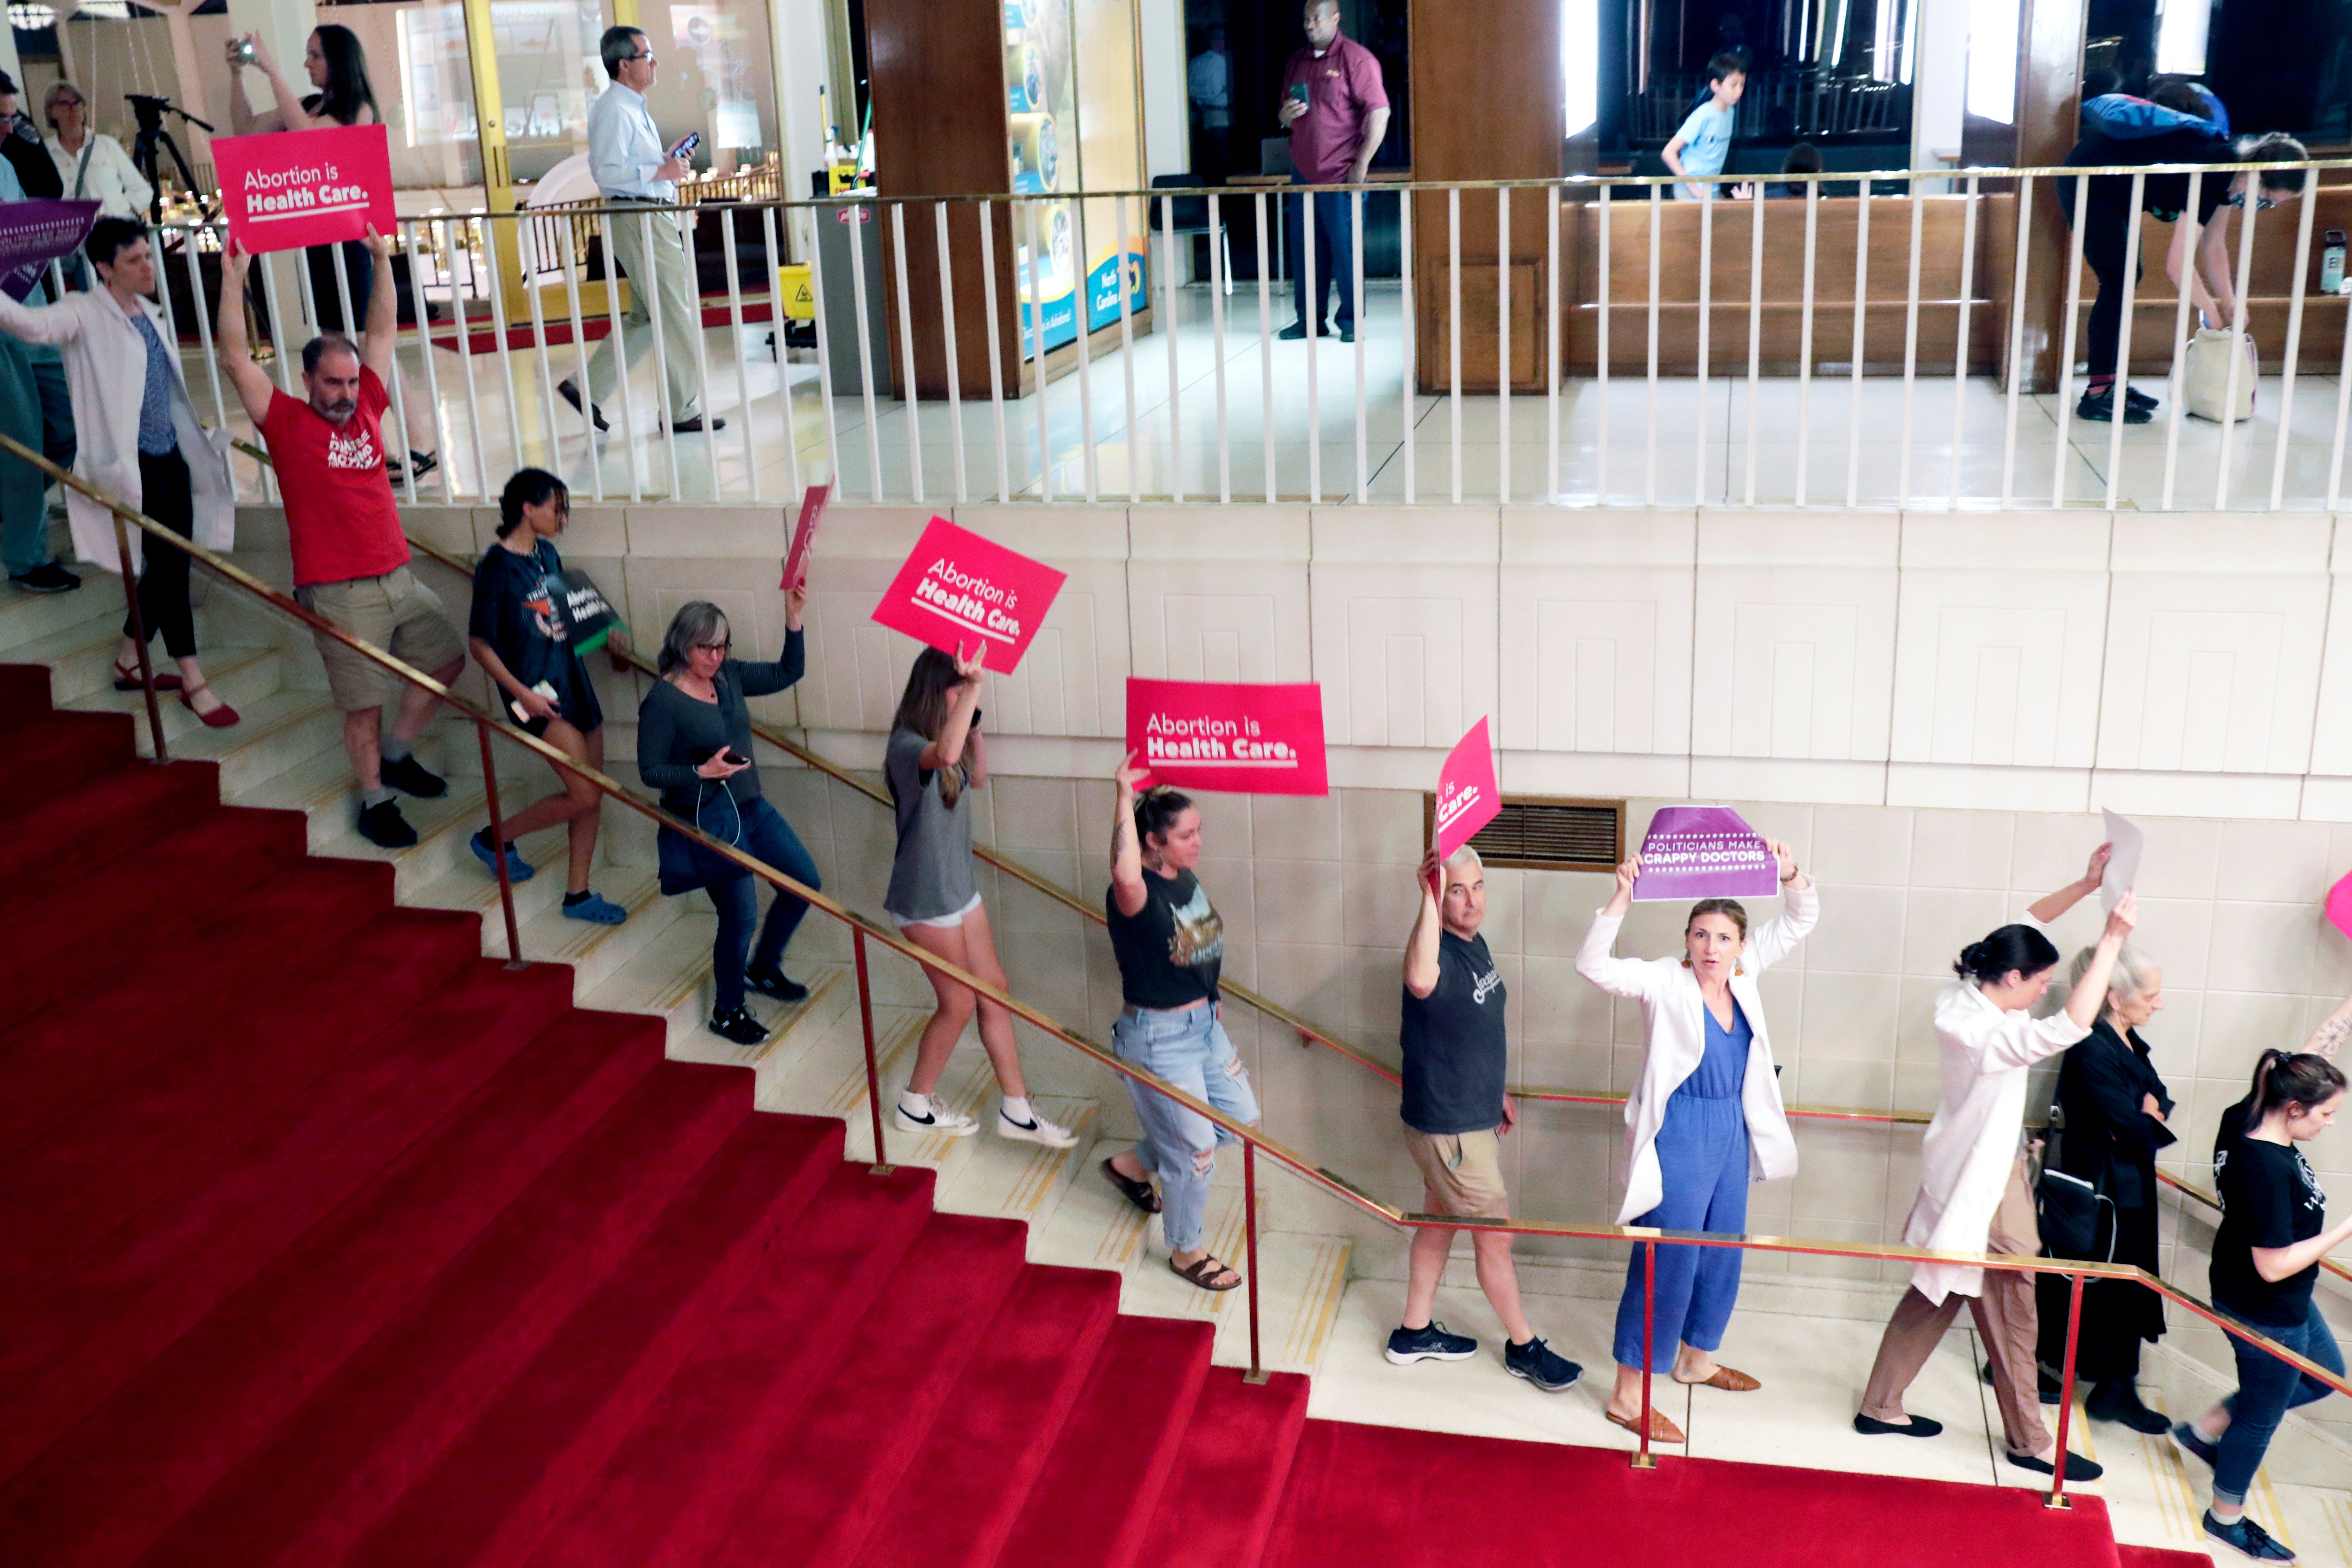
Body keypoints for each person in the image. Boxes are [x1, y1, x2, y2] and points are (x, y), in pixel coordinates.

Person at [1853, 848, 2135, 1484]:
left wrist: (2086, 883)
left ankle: (1880, 1404)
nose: (2042, 991)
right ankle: (2030, 1441)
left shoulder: (1965, 994)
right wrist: (2112, 938)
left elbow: (2022, 917)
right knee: (2013, 1303)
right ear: (2010, 979)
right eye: (2038, 981)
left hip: (1967, 1172)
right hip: (1983, 1184)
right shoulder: (1991, 1035)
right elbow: (2073, 1021)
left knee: (1936, 1292)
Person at [219, 228, 467, 847]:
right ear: (307, 380)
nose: (346, 394)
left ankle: (399, 756)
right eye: (333, 383)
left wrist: (382, 259)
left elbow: (381, 332)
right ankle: (374, 797)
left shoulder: (365, 407)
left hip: (396, 575)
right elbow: (234, 359)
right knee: (363, 705)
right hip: (339, 591)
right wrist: (231, 276)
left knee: (445, 660)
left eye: (351, 383)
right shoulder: (285, 422)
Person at [1577, 837, 1816, 1444]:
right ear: (1686, 939)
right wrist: (1621, 899)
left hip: (1728, 1132)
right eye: (1699, 935)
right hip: (1680, 1132)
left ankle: (1694, 1357)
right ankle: (1626, 1393)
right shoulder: (1664, 980)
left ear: (1739, 944)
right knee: (1668, 1259)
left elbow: (1799, 917)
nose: (1710, 948)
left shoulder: (1743, 974)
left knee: (1721, 1251)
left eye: (1723, 937)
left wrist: (1787, 872)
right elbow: (1593, 966)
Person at [0, 216, 237, 724]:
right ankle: (192, 677)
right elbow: (30, 325)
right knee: (171, 567)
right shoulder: (81, 312)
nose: (148, 266)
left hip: (169, 457)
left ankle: (130, 660)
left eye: (148, 256)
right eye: (134, 261)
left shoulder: (148, 312)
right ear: (105, 269)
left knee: (172, 560)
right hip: (133, 466)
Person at [1386, 842, 1584, 1394]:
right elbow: (1423, 982)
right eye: (1456, 889)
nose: (1470, 900)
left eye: (1477, 886)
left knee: (1437, 1222)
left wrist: (1493, 1090)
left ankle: (1413, 1331)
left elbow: (1475, 1024)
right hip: (1450, 1130)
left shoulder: (1474, 942)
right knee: (1495, 1238)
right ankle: (1524, 1348)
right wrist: (1427, 896)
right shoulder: (1435, 948)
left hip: (1465, 1115)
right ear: (1437, 896)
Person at [225, 24, 439, 481]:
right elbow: (245, 130)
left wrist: (271, 68)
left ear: (338, 60)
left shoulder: (355, 109)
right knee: (339, 341)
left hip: (351, 242)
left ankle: (420, 438)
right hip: (318, 245)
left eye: (315, 56)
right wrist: (238, 76)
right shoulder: (305, 105)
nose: (308, 65)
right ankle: (361, 437)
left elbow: (310, 142)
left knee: (370, 343)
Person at [881, 646, 1076, 1148]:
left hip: (958, 890)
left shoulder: (950, 741)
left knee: (994, 987)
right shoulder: (907, 747)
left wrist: (974, 721)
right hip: (925, 898)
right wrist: (977, 687)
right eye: (956, 691)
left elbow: (977, 775)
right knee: (959, 1001)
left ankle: (1017, 1109)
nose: (964, 700)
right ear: (936, 692)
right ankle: (914, 1103)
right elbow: (943, 756)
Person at [2172, 1051, 2350, 1564]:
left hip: (2273, 1298)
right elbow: (2272, 1265)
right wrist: (2345, 1230)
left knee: (2323, 1374)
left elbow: (2295, 1058)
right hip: (2265, 1305)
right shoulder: (2269, 1170)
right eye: (2325, 1113)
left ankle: (2204, 1433)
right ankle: (2224, 1516)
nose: (2329, 1122)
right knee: (2259, 1417)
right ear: (2293, 1107)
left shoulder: (2245, 1115)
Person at [1098, 760, 1259, 1293]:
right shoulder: (1134, 891)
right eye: (1186, 835)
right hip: (1159, 1041)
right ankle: (1185, 1250)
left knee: (1238, 1118)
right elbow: (1123, 871)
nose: (1198, 843)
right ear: (1153, 842)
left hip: (1203, 1028)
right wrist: (1124, 793)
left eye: (1198, 831)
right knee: (1194, 1155)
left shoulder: (1179, 874)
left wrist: (1210, 999)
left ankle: (1133, 1163)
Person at [636, 599, 820, 1046]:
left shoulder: (728, 675)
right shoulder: (663, 701)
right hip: (709, 819)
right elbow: (650, 771)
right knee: (740, 915)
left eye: (721, 646)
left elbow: (786, 673)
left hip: (750, 805)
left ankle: (763, 967)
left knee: (804, 882)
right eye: (706, 648)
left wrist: (793, 620)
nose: (715, 656)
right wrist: (700, 772)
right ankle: (728, 1010)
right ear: (683, 646)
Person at [2058, 121, 2309, 423]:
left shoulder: (2231, 173)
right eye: (2267, 200)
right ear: (2257, 175)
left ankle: (2112, 385)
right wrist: (2211, 315)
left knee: (2124, 276)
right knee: (2118, 277)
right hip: (2089, 178)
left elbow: (2213, 246)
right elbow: (2176, 265)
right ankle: (2098, 393)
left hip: (2115, 185)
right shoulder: (2212, 172)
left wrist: (2229, 301)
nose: (2260, 206)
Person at [465, 467, 626, 925]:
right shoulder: (495, 568)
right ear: (527, 508)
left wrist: (607, 640)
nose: (563, 519)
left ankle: (578, 894)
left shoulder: (549, 555)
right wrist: (520, 694)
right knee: (585, 795)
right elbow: (480, 642)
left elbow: (568, 619)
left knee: (594, 793)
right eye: (558, 509)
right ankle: (496, 838)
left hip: (573, 683)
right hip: (535, 697)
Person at [2031, 943, 2175, 1432]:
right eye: (2151, 995)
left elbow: (2158, 1105)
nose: (2159, 1004)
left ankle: (2115, 1383)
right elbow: (2133, 1124)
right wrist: (2144, 1116)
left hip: (2125, 1184)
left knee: (2122, 1284)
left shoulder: (2126, 1042)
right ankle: (2068, 1371)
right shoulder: (2093, 1046)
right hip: (2103, 1188)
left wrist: (2146, 1115)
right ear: (2115, 997)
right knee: (2091, 1282)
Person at [559, 27, 723, 437]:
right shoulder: (615, 108)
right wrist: (660, 170)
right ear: (624, 64)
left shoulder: (631, 107)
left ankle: (586, 387)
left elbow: (629, 166)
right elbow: (608, 172)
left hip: (643, 214)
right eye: (647, 55)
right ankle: (681, 410)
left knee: (648, 316)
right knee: (675, 312)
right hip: (640, 218)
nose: (654, 62)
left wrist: (664, 162)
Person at [1277, 0, 1388, 342]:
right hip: (1303, 175)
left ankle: (1352, 322)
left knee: (1346, 251)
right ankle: (1309, 320)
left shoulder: (1356, 59)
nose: (1310, 26)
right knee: (1306, 250)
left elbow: (1379, 114)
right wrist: (1285, 115)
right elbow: (1283, 117)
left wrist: (1361, 165)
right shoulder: (1297, 61)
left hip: (1342, 174)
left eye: (1317, 20)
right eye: (1306, 20)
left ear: (1335, 19)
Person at [0, 151, 77, 595]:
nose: (10, 129)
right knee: (24, 443)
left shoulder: (6, 165)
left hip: (30, 311)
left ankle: (13, 503)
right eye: (2, 118)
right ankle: (26, 559)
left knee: (69, 424)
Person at [43, 83, 152, 222]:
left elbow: (142, 190)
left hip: (113, 233)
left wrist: (120, 214)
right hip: (71, 237)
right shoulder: (45, 153)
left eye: (77, 103)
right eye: (64, 104)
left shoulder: (106, 145)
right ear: (52, 112)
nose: (72, 109)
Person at [1664, 50, 1747, 201]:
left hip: (1711, 191)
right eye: (1734, 85)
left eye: (1742, 85)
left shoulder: (1730, 112)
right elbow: (1668, 152)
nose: (1739, 91)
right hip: (1690, 192)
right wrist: (1692, 187)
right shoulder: (1703, 115)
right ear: (1716, 85)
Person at [1187, 26, 1231, 172]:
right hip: (1216, 116)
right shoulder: (1205, 63)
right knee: (1219, 157)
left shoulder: (1199, 61)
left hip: (1213, 114)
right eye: (1221, 40)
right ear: (1213, 42)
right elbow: (1211, 92)